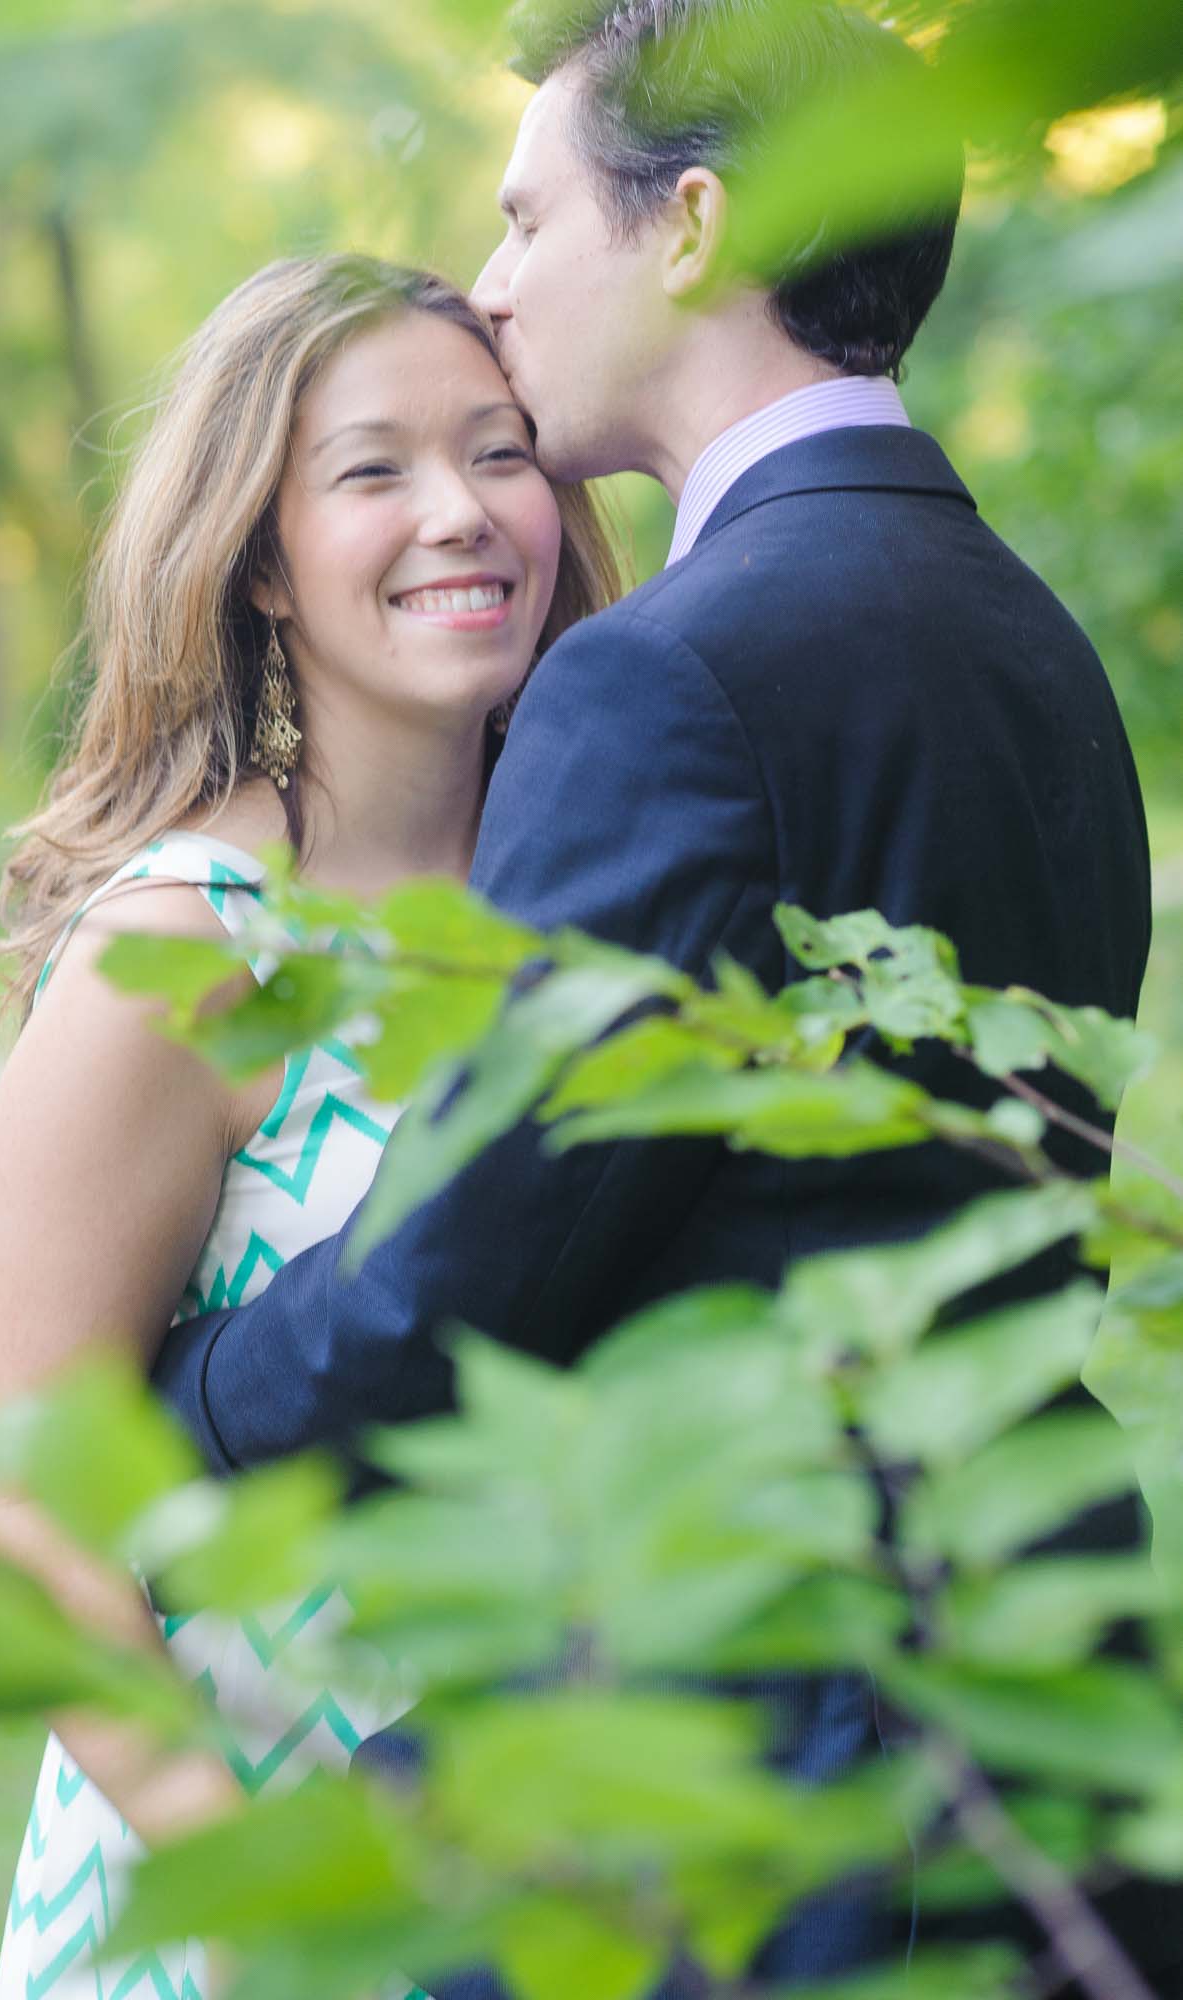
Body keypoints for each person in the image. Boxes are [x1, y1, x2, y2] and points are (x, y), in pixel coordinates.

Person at [150, 2, 1154, 1992]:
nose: (497, 287)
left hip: (757, 1755)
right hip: (1059, 1691)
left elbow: (465, 1260)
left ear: (692, 225)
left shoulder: (668, 673)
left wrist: (193, 1395)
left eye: (529, 222)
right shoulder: (1034, 642)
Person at [0, 252, 621, 2000]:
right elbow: (22, 1512)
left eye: (501, 452)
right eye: (374, 470)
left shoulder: (606, 901)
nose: (461, 514)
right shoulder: (191, 941)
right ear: (257, 559)